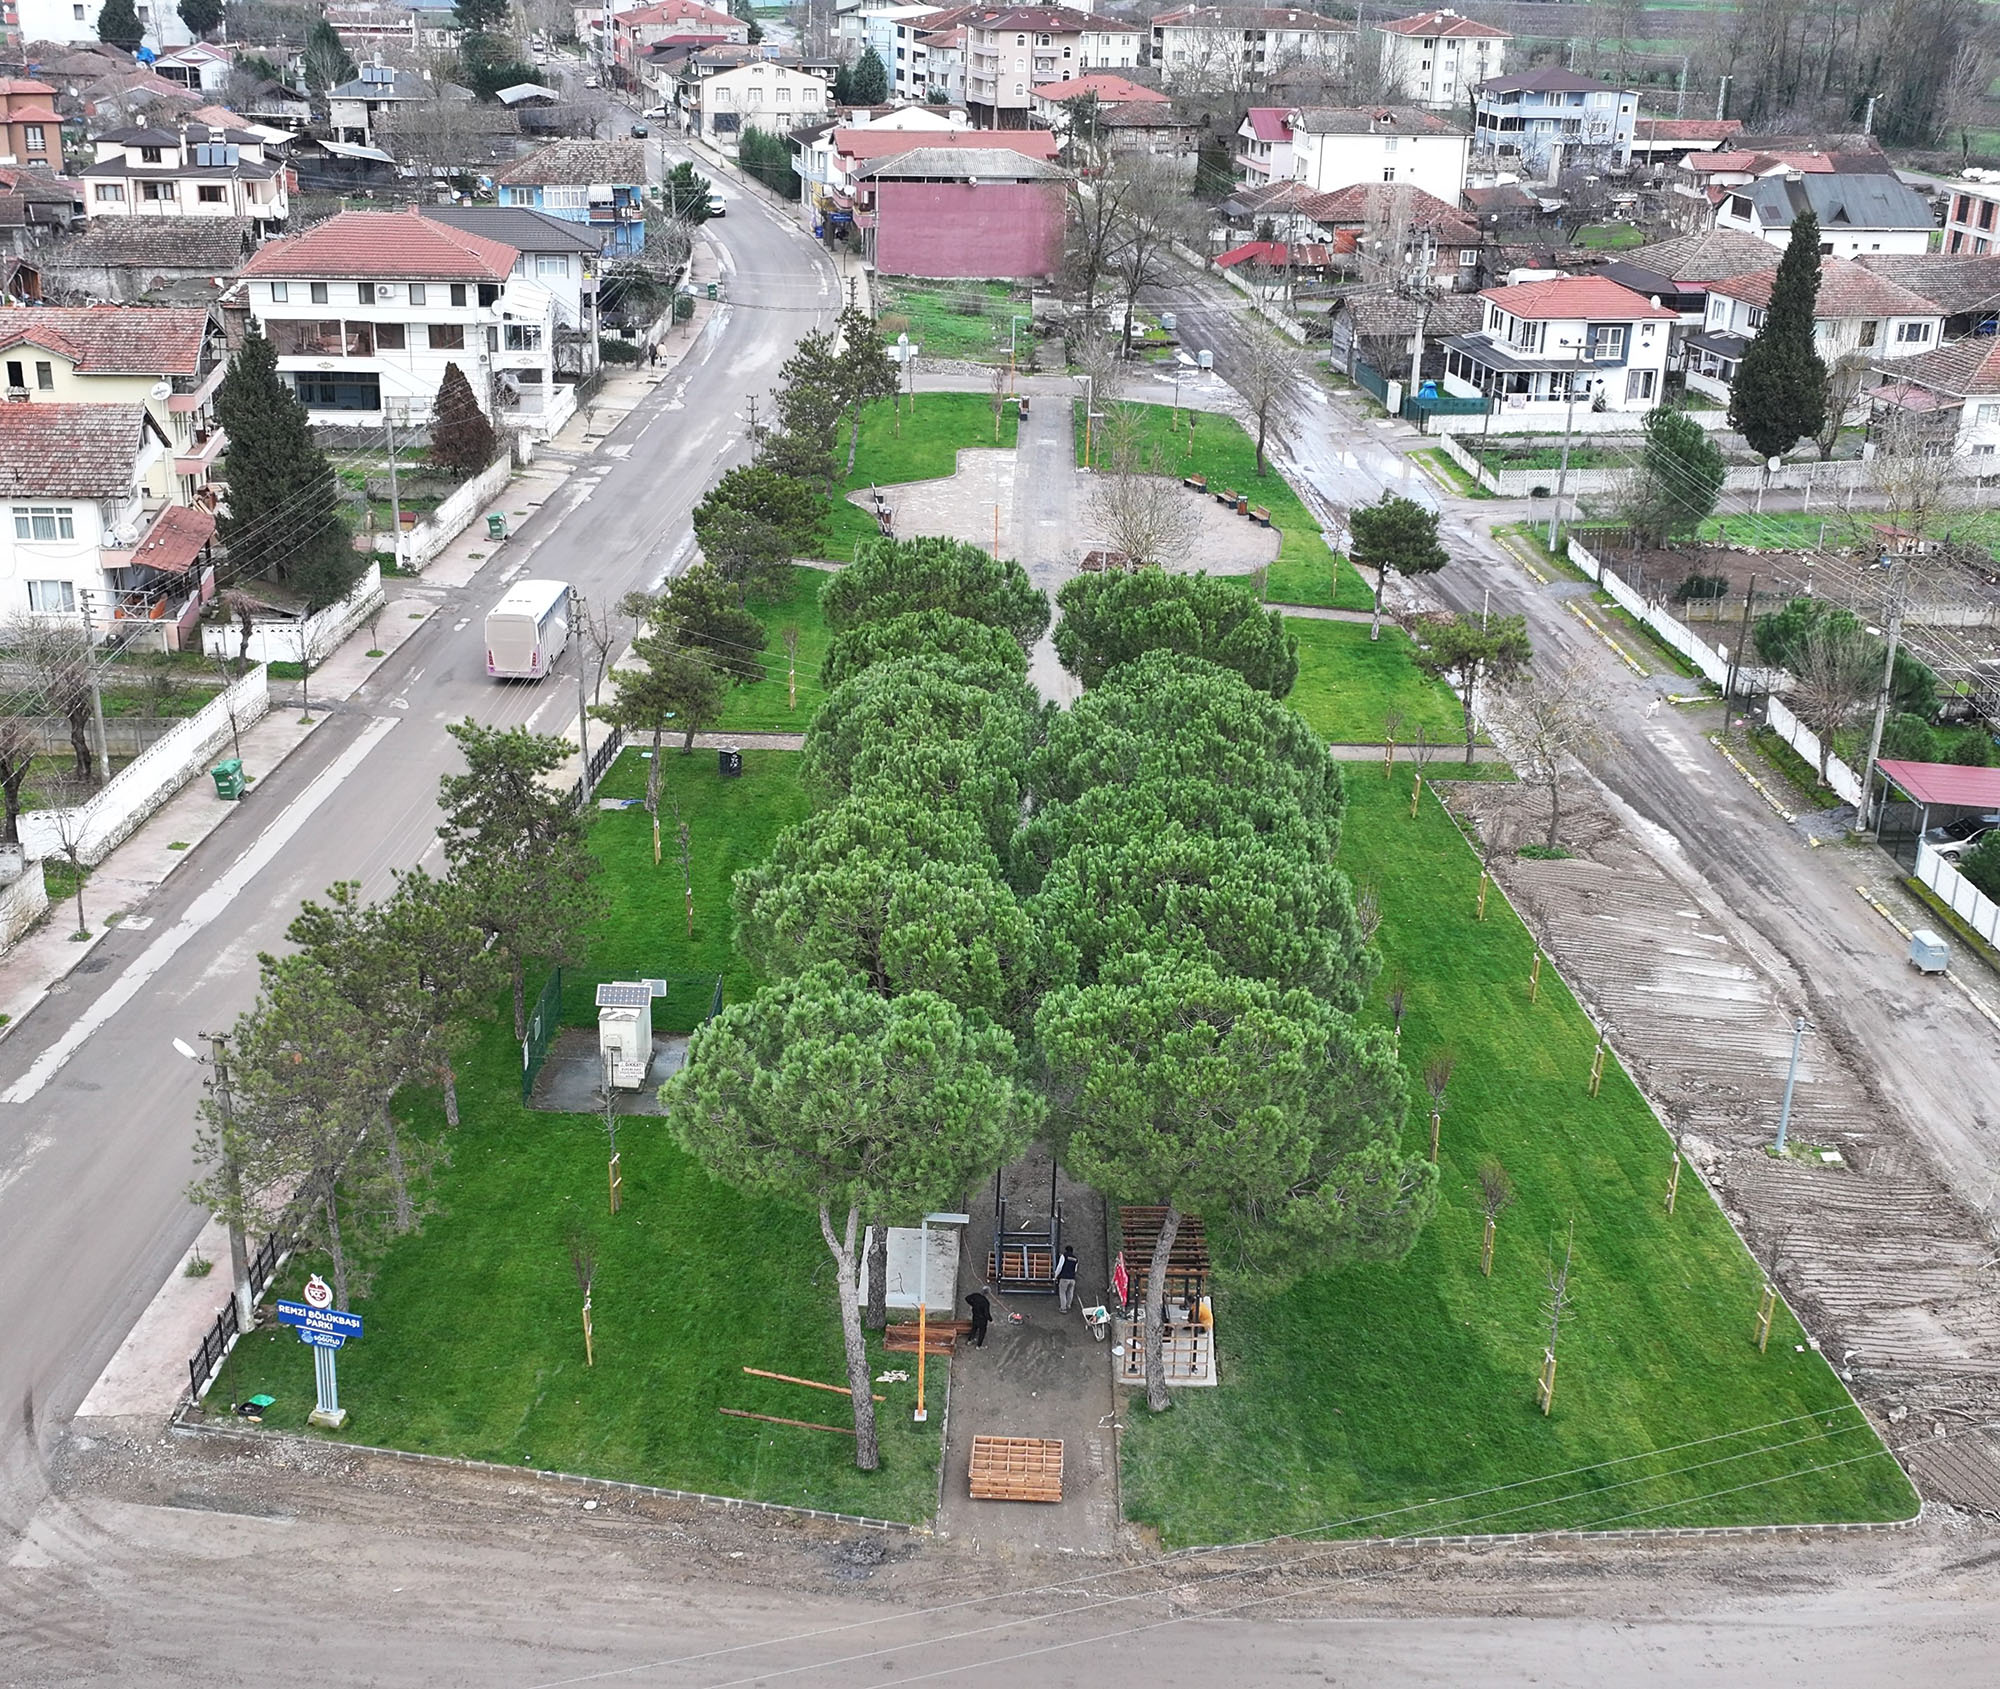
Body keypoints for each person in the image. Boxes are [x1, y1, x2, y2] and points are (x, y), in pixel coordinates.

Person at [1055, 1244, 1079, 1313]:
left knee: (1062, 1292)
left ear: (1066, 1250)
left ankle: (1063, 1308)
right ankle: (1068, 1305)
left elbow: (1060, 1267)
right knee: (1070, 1292)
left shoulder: (1064, 1256)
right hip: (1072, 1279)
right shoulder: (1076, 1259)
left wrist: (1056, 1275)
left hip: (1064, 1278)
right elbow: (1075, 1270)